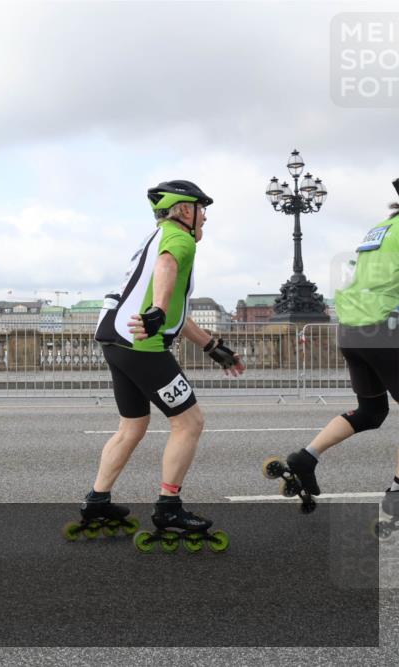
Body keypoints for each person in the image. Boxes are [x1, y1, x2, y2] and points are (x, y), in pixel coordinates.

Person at [73, 180, 245, 548]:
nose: (205, 218)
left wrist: (212, 346)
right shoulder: (178, 240)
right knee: (190, 422)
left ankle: (97, 502)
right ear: (186, 210)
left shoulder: (153, 238)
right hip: (143, 345)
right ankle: (169, 507)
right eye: (202, 209)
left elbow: (176, 312)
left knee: (131, 427)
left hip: (117, 340)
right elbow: (167, 272)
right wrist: (158, 311)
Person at [274, 179, 398, 521]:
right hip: (385, 328)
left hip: (353, 329)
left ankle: (306, 457)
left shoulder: (382, 228)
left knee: (372, 413)